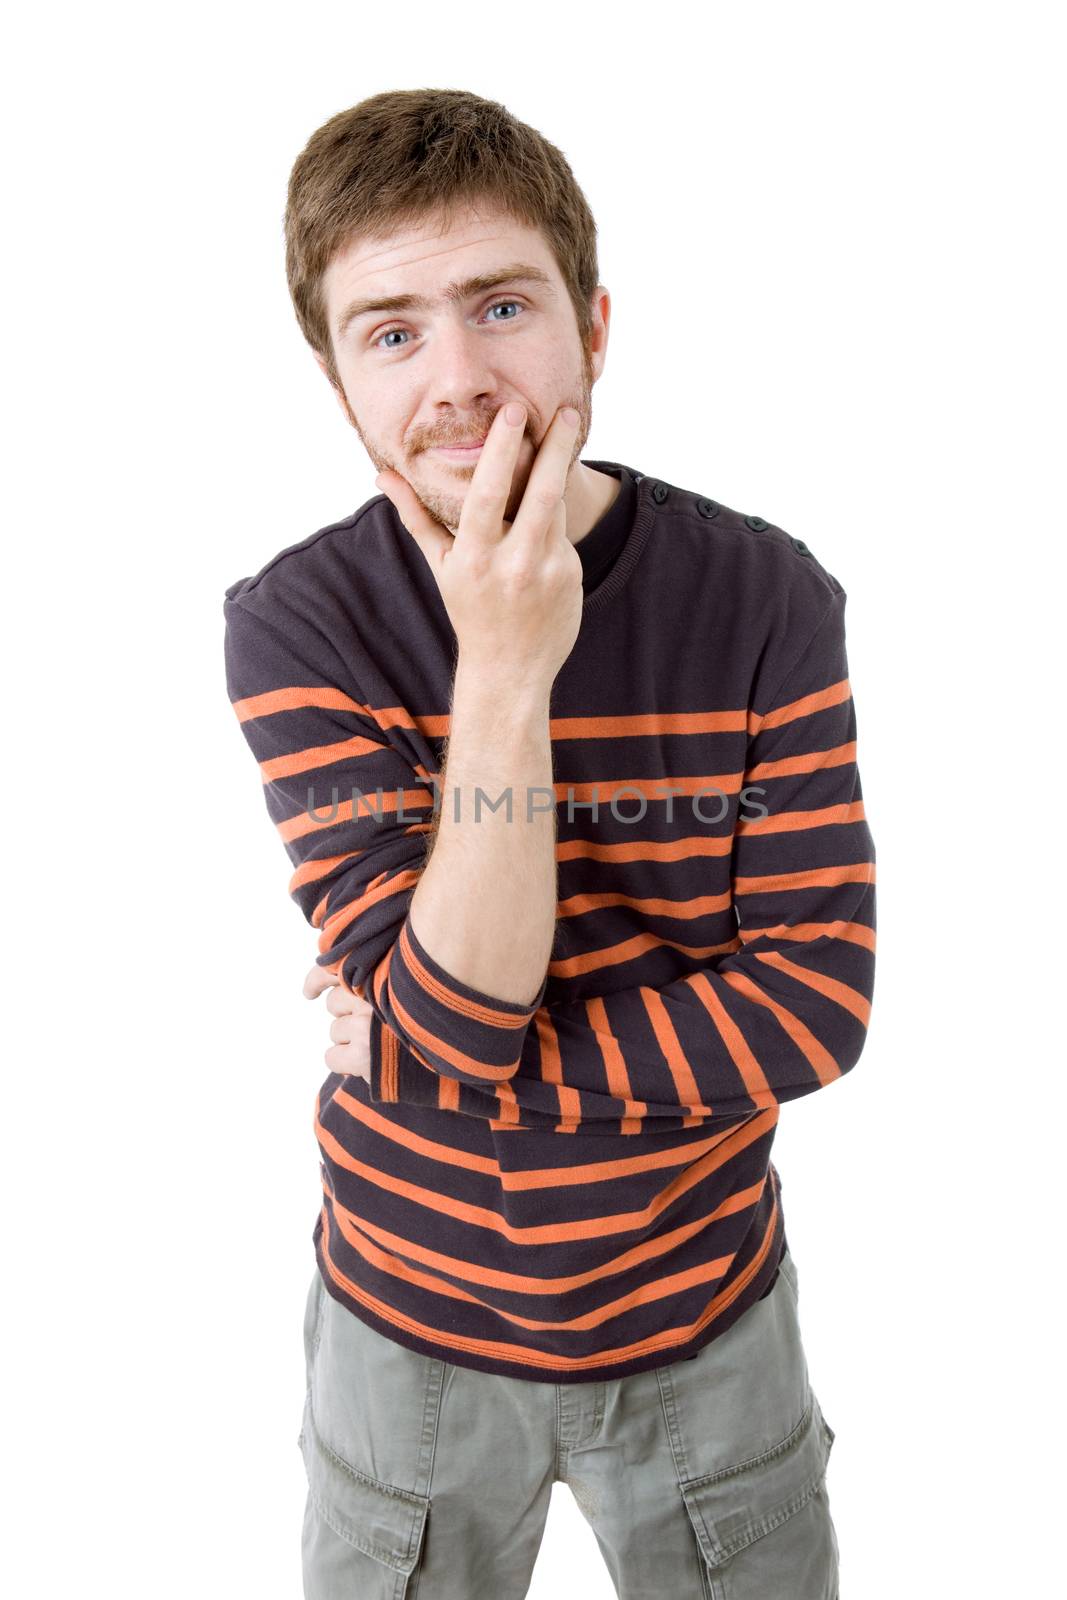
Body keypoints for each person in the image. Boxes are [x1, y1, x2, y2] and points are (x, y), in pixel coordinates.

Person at [223, 86, 876, 1600]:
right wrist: (504, 669)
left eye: (499, 306)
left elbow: (815, 1010)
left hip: (707, 1318)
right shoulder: (299, 623)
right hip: (412, 1338)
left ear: (592, 323)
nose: (456, 381)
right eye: (391, 331)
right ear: (339, 387)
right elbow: (454, 1014)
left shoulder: (769, 600)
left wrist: (427, 1047)